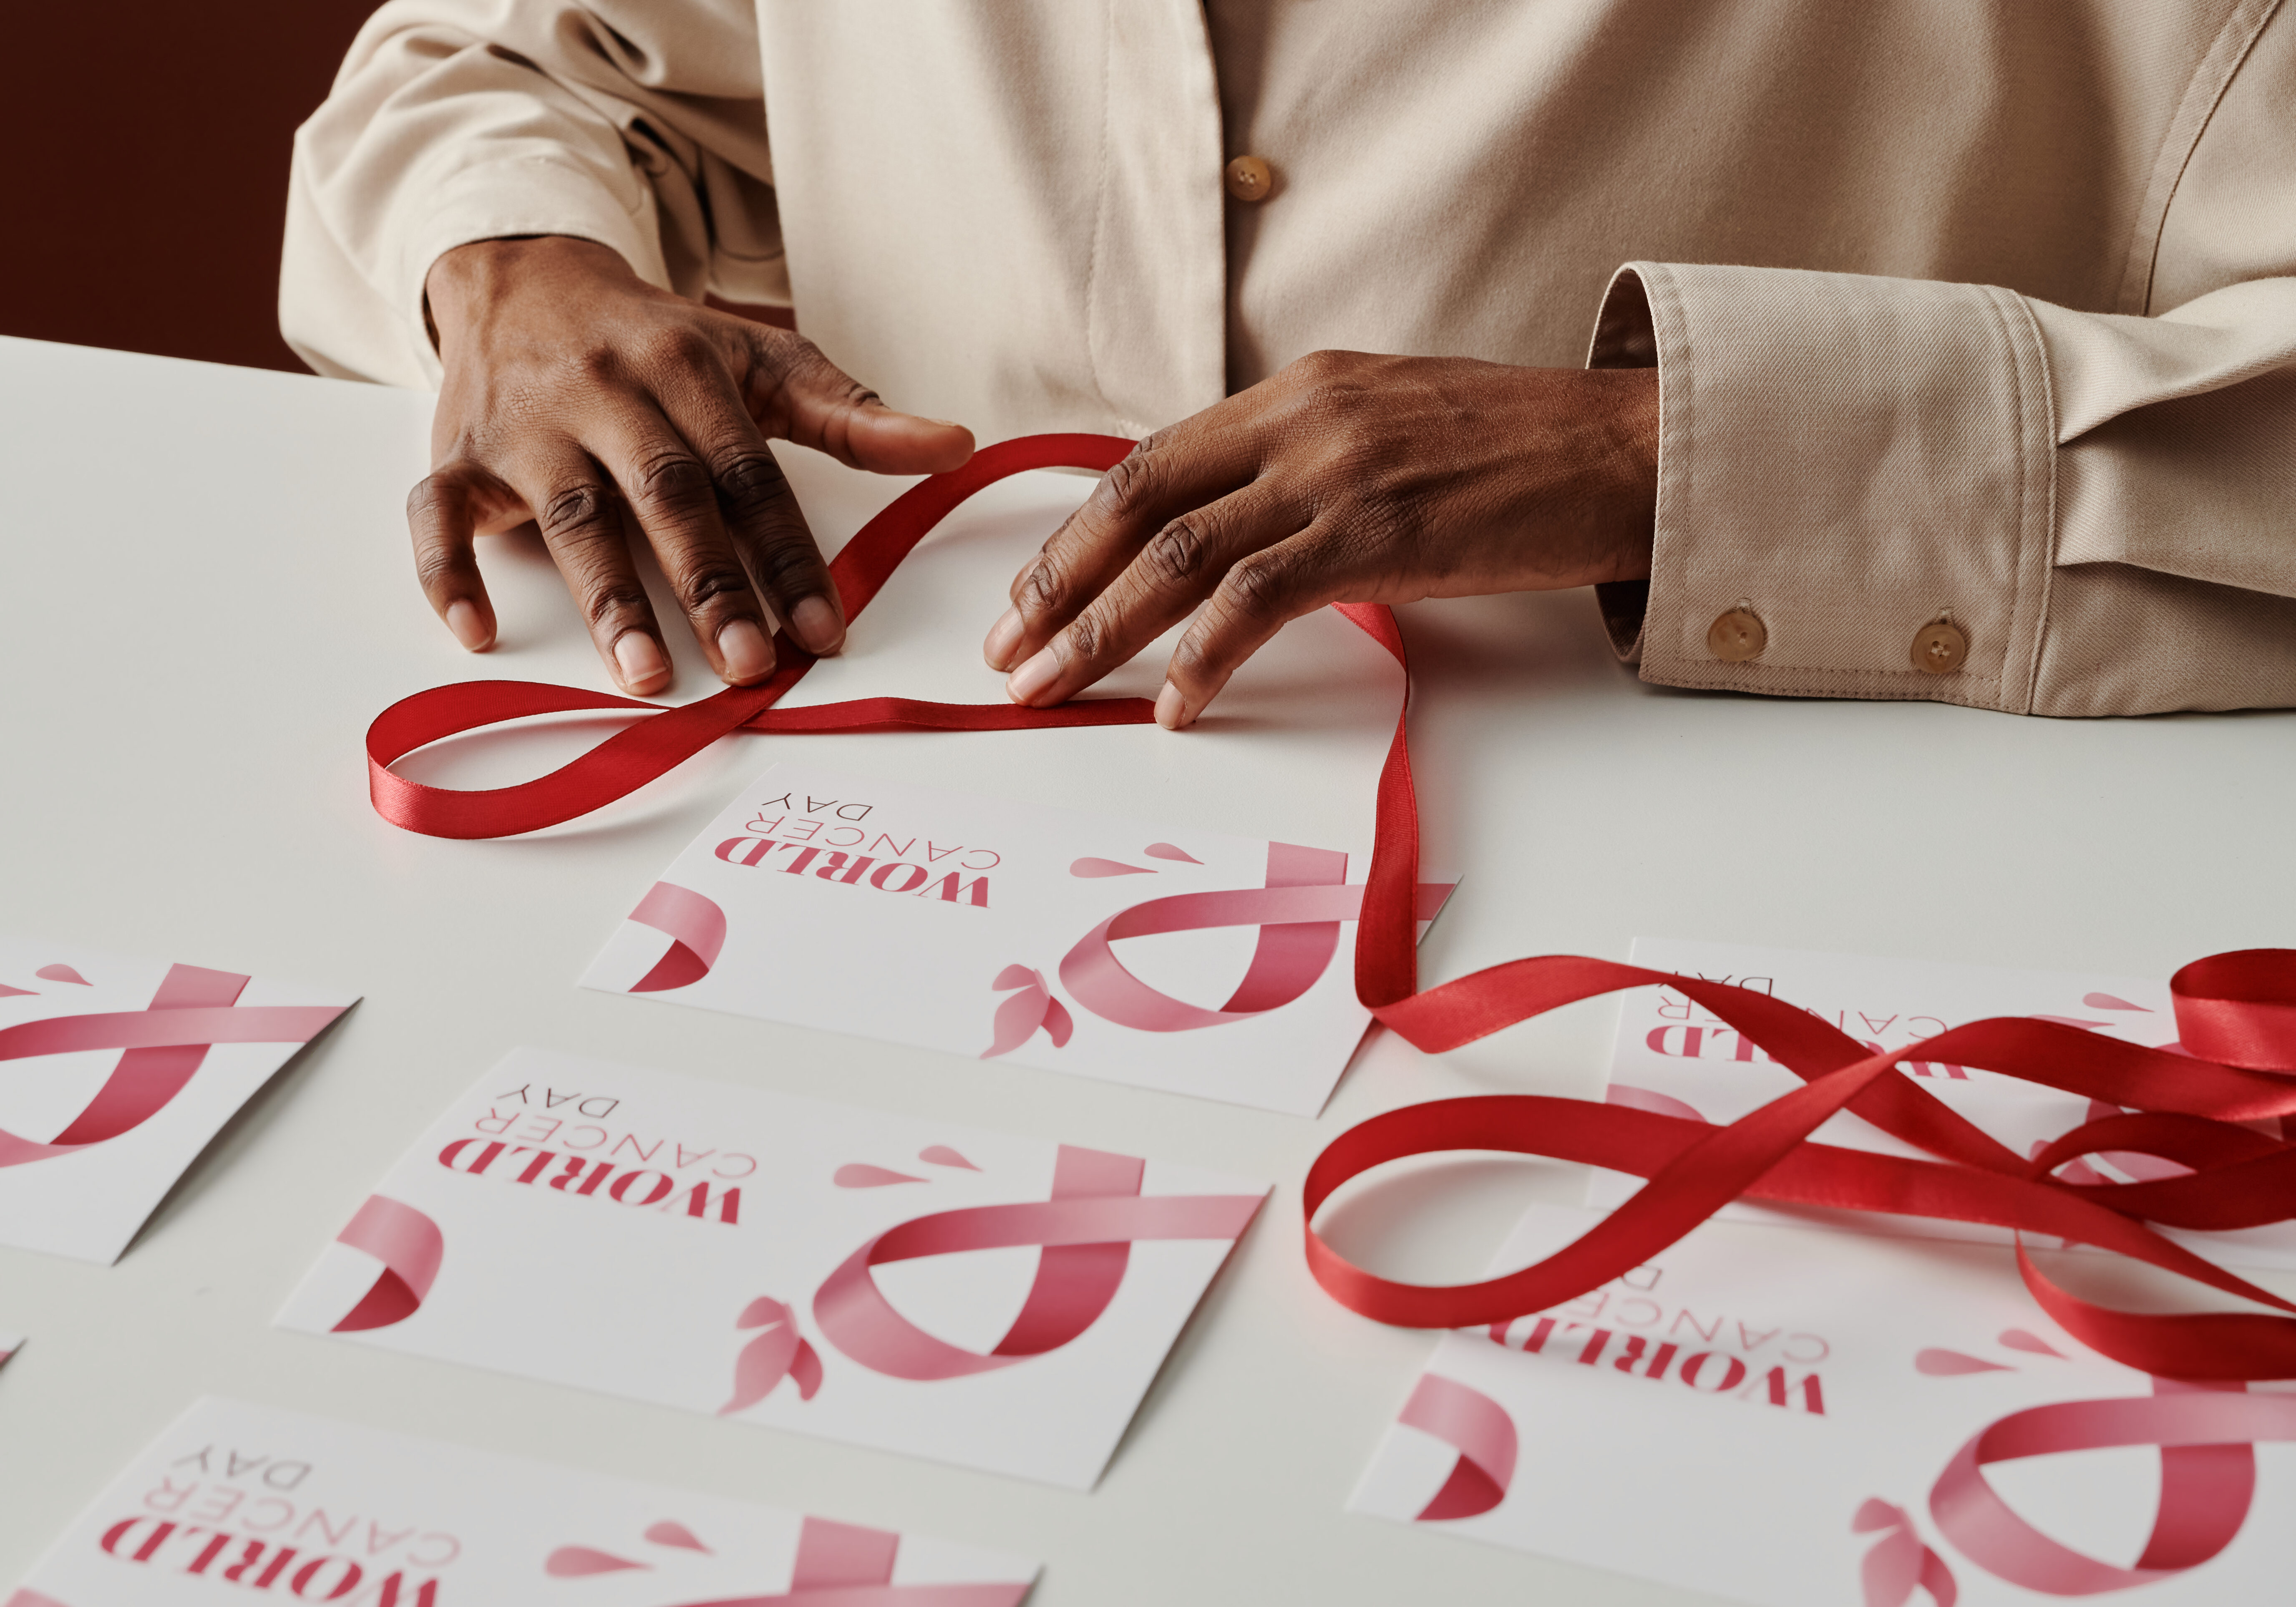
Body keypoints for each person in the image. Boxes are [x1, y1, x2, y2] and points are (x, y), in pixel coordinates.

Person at [283, 2, 2296, 723]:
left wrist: (1662, 456)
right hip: (868, 894)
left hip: (1733, 1014)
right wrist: (513, 263)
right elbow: (493, 61)